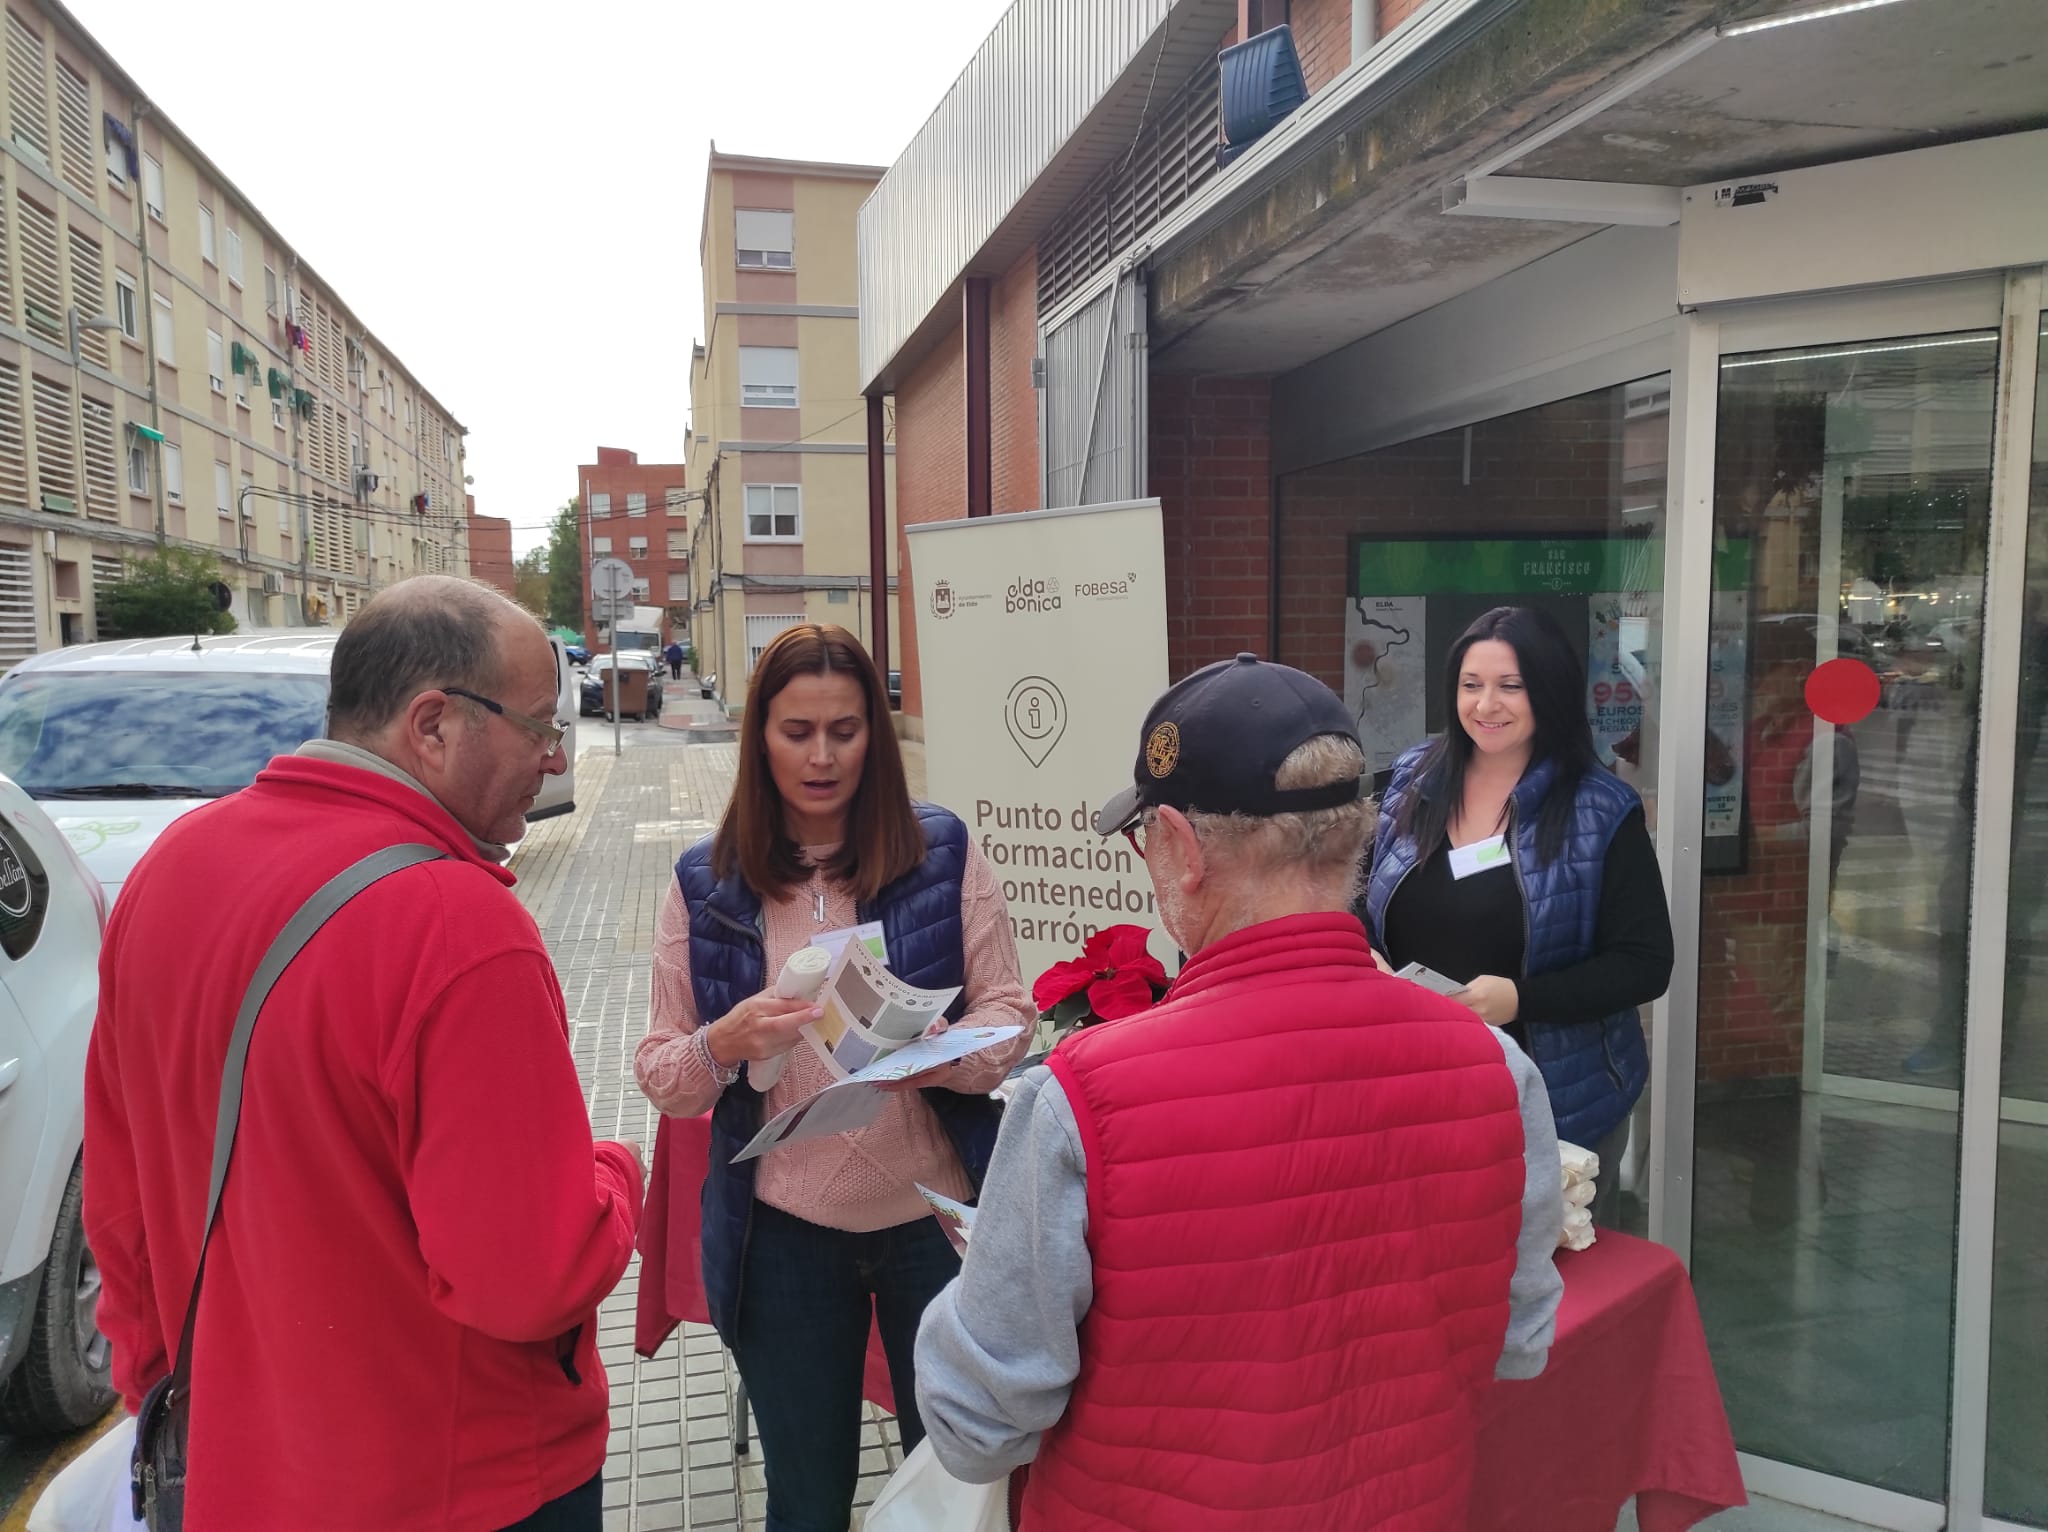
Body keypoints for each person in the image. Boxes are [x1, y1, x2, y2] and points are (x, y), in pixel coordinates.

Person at [916, 654, 1565, 1531]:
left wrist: (988, 1274)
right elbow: (1517, 1346)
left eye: (1146, 837)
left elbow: (976, 1429)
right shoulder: (1499, 1069)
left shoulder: (1079, 1100)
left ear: (1181, 848)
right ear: (1351, 835)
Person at [83, 576, 643, 1531]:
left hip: (232, 1470)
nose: (552, 759)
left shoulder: (171, 867)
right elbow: (529, 1275)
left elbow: (121, 1192)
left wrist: (162, 1394)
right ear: (432, 724)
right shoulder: (459, 925)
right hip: (461, 1481)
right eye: (538, 727)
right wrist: (618, 1173)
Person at [634, 622, 1032, 1532]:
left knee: (960, 1487)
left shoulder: (942, 852)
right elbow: (663, 1074)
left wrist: (939, 1053)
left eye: (845, 731)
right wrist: (724, 1042)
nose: (821, 757)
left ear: (876, 737)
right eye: (796, 731)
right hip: (783, 1236)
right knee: (806, 1497)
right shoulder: (707, 885)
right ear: (759, 736)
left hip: (936, 1224)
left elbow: (1010, 1010)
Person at [1360, 606, 1674, 1224]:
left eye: (1511, 686)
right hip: (1420, 1084)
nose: (1486, 705)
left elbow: (1644, 964)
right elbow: (1355, 893)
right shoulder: (1411, 778)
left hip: (1557, 1101)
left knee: (1557, 1291)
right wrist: (1362, 952)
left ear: (1548, 690)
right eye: (1471, 685)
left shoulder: (1600, 808)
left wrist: (1519, 1000)